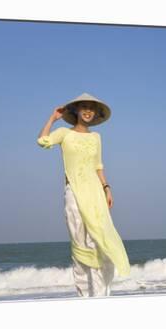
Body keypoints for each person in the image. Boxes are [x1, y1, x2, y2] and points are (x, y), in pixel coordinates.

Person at [36, 92, 131, 297]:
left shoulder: (96, 137)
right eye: (84, 106)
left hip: (95, 193)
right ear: (77, 111)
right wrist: (52, 118)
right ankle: (84, 298)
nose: (88, 110)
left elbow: (98, 165)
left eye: (92, 107)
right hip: (74, 192)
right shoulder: (63, 133)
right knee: (79, 243)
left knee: (98, 241)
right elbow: (42, 141)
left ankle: (100, 296)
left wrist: (107, 187)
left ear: (96, 113)